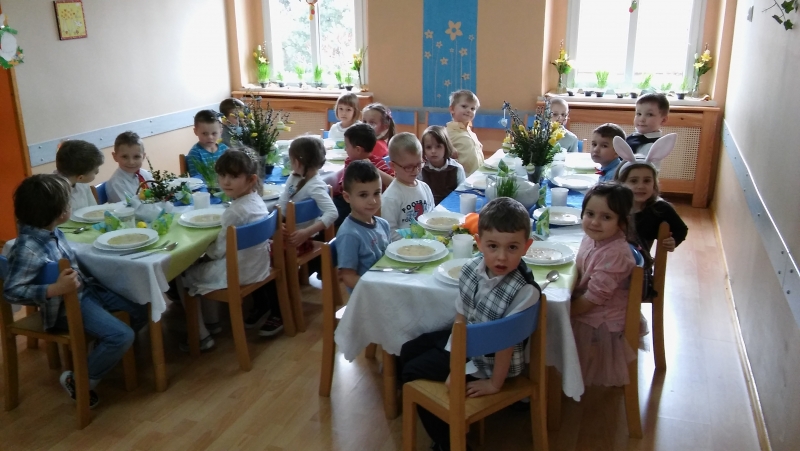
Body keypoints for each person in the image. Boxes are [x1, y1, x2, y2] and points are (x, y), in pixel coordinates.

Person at [399, 197, 540, 451]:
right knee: (408, 350)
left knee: (411, 371)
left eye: (512, 247)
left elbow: (505, 343)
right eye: (493, 246)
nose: (501, 257)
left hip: (492, 364)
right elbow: (461, 316)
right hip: (468, 344)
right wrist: (454, 358)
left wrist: (493, 383)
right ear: (479, 243)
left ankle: (448, 443)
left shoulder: (524, 290)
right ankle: (434, 413)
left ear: (526, 246)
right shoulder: (470, 270)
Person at [3, 174, 147, 409]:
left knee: (141, 309)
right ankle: (80, 379)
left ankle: (101, 353)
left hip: (86, 290)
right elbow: (12, 291)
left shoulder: (51, 230)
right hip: (65, 307)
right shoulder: (28, 248)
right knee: (121, 336)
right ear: (60, 213)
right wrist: (55, 288)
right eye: (68, 203)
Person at [179, 149, 269, 351]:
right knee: (202, 266)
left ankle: (201, 336)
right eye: (222, 175)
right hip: (258, 265)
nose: (226, 182)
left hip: (238, 273)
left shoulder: (234, 212)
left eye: (234, 177)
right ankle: (212, 322)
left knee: (183, 272)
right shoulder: (256, 201)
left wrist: (201, 255)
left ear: (251, 179)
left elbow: (218, 251)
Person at [251, 136, 337, 336]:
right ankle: (264, 304)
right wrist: (278, 223)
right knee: (256, 251)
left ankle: (279, 311)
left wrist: (306, 232)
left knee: (262, 257)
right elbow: (282, 204)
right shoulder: (294, 178)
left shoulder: (315, 185)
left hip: (298, 241)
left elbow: (332, 213)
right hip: (285, 237)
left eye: (290, 160)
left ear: (298, 162)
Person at [570, 182, 645, 387]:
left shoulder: (615, 254)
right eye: (590, 214)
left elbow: (592, 300)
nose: (595, 222)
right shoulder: (593, 237)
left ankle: (544, 377)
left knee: (543, 324)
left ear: (622, 223)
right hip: (589, 303)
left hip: (600, 319)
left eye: (606, 217)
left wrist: (562, 312)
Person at [612, 134, 688, 253]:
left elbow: (681, 229)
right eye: (633, 181)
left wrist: (673, 240)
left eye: (647, 181)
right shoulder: (612, 204)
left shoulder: (660, 208)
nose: (641, 186)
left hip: (641, 262)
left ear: (654, 184)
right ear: (621, 183)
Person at [335, 161, 392, 292]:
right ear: (347, 197)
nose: (372, 201)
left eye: (377, 193)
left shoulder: (383, 224)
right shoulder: (349, 235)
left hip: (387, 284)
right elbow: (348, 277)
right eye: (363, 195)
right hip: (368, 296)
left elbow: (390, 258)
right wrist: (378, 288)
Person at [331, 124, 395, 227]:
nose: (345, 149)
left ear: (358, 150)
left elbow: (393, 182)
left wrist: (373, 168)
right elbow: (344, 185)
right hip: (352, 202)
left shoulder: (377, 162)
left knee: (332, 210)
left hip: (361, 204)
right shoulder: (350, 161)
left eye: (347, 146)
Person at [381, 133, 435, 241]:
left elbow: (432, 217)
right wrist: (412, 244)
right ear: (393, 166)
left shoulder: (425, 188)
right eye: (408, 167)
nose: (416, 171)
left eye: (419, 164)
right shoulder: (391, 197)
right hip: (405, 248)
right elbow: (389, 232)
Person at [419, 125, 466, 205]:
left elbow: (462, 193)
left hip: (451, 206)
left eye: (438, 146)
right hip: (429, 208)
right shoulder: (421, 170)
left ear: (446, 147)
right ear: (423, 149)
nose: (433, 151)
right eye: (428, 147)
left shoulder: (457, 168)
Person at [54, 140, 104, 210]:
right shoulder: (52, 193)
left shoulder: (83, 185)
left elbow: (93, 210)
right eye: (94, 171)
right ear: (80, 178)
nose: (97, 172)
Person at [105, 131, 154, 203]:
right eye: (125, 157)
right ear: (115, 157)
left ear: (143, 156)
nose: (131, 162)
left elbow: (157, 193)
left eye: (136, 156)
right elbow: (130, 206)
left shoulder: (146, 174)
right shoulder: (116, 183)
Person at [445, 89, 484, 176]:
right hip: (461, 179)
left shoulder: (471, 133)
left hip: (477, 177)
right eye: (464, 106)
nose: (469, 110)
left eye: (473, 108)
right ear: (452, 109)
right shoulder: (447, 133)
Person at [186, 109, 230, 181]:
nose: (210, 137)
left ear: (221, 131)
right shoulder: (195, 153)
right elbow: (196, 180)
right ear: (195, 131)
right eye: (205, 133)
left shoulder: (225, 149)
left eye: (214, 133)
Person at [626, 93, 669, 161]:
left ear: (663, 120)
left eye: (649, 114)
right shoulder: (636, 136)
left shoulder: (652, 146)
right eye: (639, 114)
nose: (641, 119)